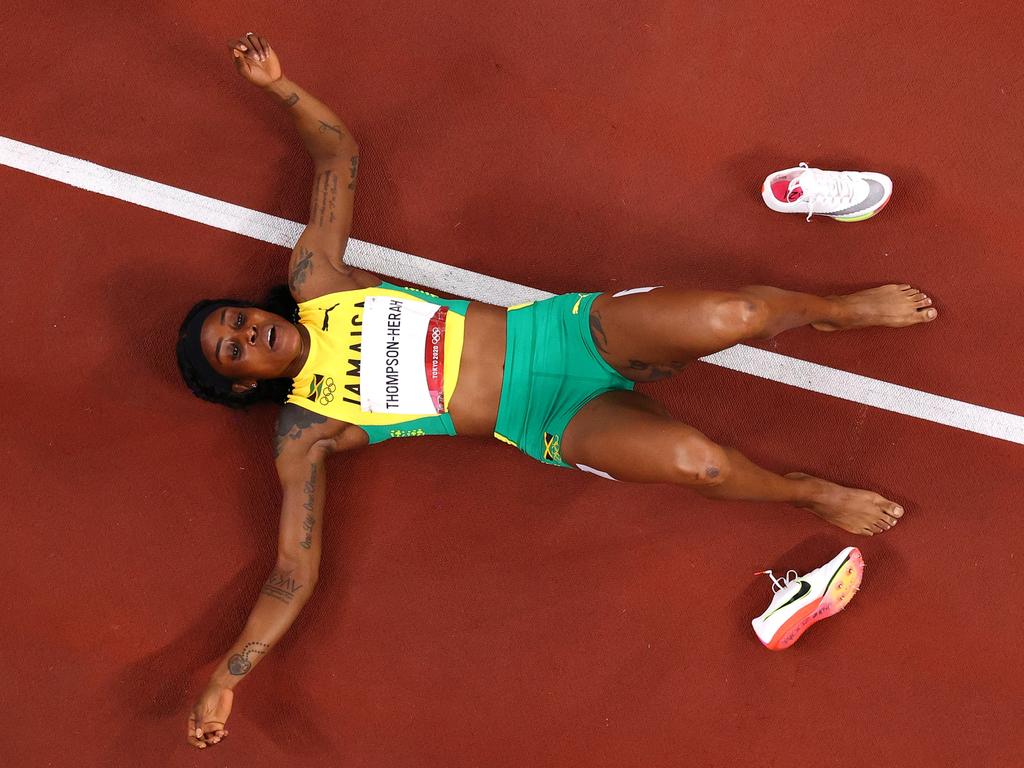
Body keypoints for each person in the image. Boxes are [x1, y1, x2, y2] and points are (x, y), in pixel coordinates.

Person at [179, 33, 938, 749]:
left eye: (236, 320)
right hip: (549, 417)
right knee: (697, 463)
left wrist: (279, 87)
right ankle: (804, 492)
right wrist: (227, 674)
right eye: (233, 350)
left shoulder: (318, 281)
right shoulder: (305, 430)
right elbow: (292, 571)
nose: (245, 333)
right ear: (242, 384)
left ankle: (839, 312)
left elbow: (337, 154)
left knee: (736, 313)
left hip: (566, 333)